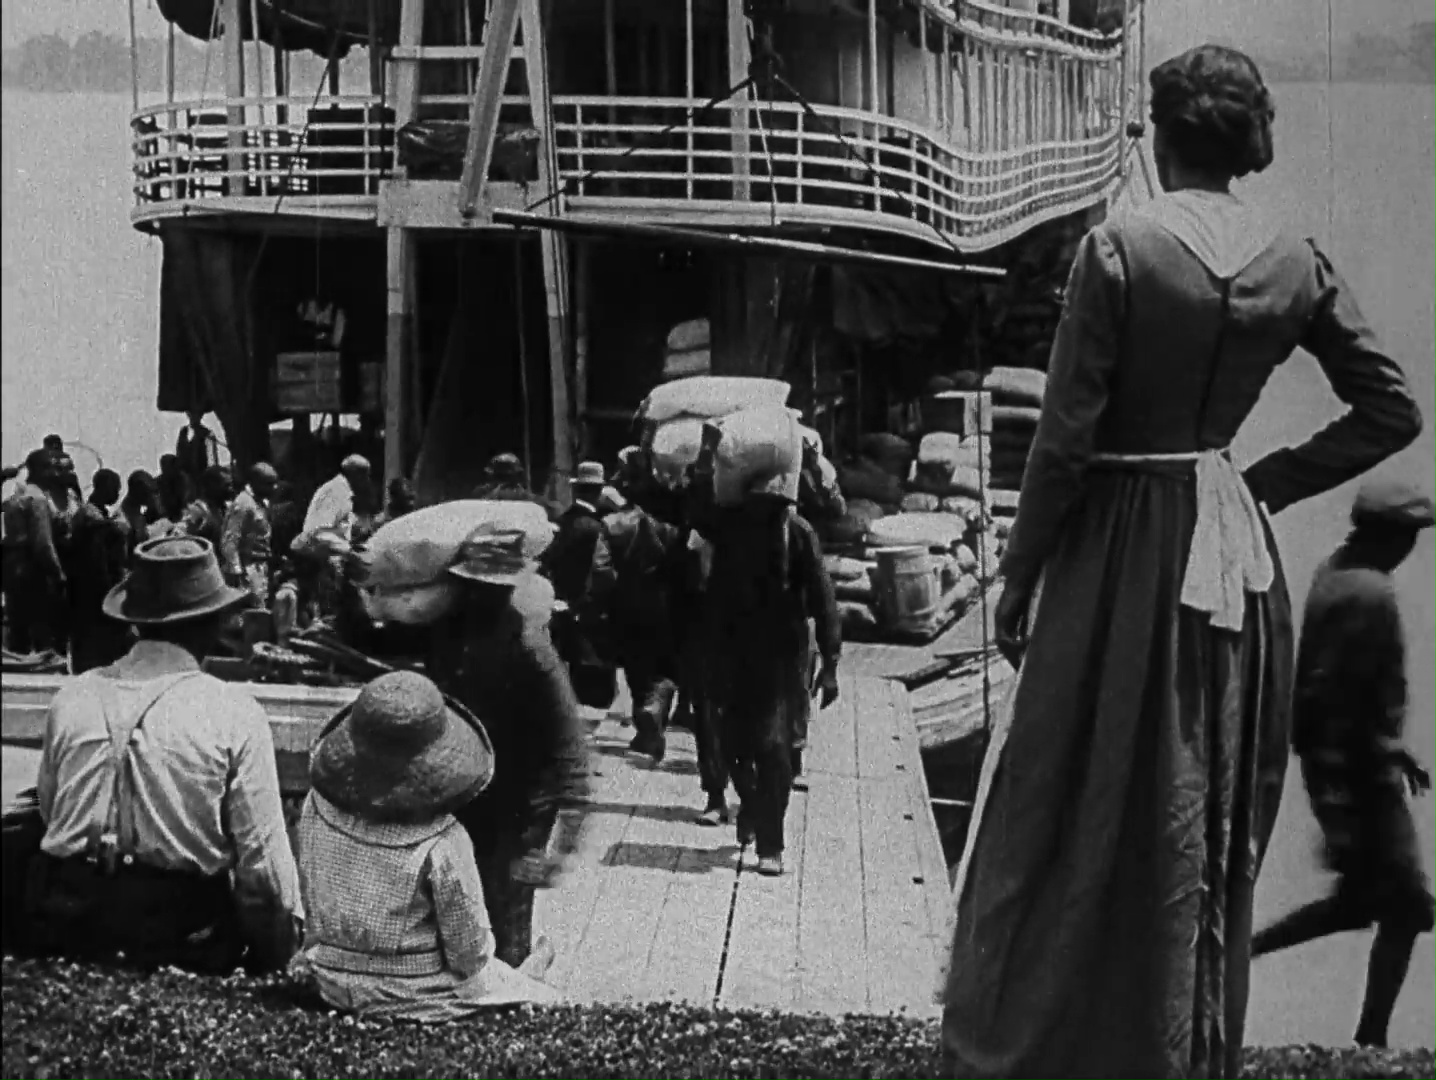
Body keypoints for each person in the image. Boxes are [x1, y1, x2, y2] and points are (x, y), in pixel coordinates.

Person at [940, 46, 1423, 1080]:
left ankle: (1057, 1033)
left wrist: (1019, 577)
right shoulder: (1293, 258)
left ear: (1161, 136)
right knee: (1196, 803)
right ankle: (1177, 1038)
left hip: (1119, 545)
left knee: (1072, 784)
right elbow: (1391, 408)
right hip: (1233, 555)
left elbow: (1064, 441)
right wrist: (1265, 480)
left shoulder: (1119, 248)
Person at [24, 536, 302, 973]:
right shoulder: (233, 711)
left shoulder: (72, 697)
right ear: (213, 623)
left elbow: (49, 809)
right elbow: (264, 878)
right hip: (181, 935)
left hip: (69, 924)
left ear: (134, 623)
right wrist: (279, 956)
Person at [1252, 479, 1434, 1048]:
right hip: (1359, 774)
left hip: (1347, 764)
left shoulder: (1333, 573)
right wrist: (1374, 758)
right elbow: (1339, 692)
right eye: (1407, 536)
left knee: (1364, 904)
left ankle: (1242, 954)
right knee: (1406, 907)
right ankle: (1370, 1037)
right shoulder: (1367, 593)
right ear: (1387, 535)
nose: (1410, 548)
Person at [296, 670, 558, 1020]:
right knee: (540, 995)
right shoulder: (442, 841)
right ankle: (528, 978)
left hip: (330, 977)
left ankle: (525, 975)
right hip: (413, 993)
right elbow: (469, 957)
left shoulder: (315, 805)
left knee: (515, 979)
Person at [427, 526, 591, 969]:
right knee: (463, 908)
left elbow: (568, 741)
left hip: (523, 806)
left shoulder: (531, 647)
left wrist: (563, 842)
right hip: (470, 794)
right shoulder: (447, 638)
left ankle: (515, 981)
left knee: (507, 918)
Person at [701, 489, 841, 877]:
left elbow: (823, 597)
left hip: (783, 658)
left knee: (775, 749)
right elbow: (714, 600)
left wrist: (830, 661)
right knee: (732, 744)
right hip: (736, 655)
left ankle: (770, 843)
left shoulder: (797, 533)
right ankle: (751, 804)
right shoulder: (731, 532)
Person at [602, 498, 685, 762]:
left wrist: (609, 597)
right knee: (664, 670)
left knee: (636, 667)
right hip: (665, 607)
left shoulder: (614, 526)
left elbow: (601, 568)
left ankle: (647, 725)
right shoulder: (675, 532)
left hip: (626, 607)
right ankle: (654, 710)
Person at [541, 462, 619, 712]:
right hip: (589, 606)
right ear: (599, 492)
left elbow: (549, 560)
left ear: (576, 490)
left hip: (560, 602)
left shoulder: (561, 522)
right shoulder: (598, 527)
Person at [64, 469, 133, 674]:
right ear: (103, 487)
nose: (117, 493)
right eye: (115, 488)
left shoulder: (101, 515)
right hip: (91, 590)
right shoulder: (89, 516)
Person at [1, 450, 67, 654]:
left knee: (18, 633)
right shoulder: (37, 500)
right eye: (52, 468)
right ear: (39, 470)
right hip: (32, 573)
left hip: (12, 570)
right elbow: (43, 544)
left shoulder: (16, 497)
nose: (56, 473)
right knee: (42, 634)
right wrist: (58, 575)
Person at [221, 462, 278, 607]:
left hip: (262, 565)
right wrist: (235, 571)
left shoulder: (261, 502)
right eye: (269, 484)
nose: (274, 488)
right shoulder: (243, 504)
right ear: (255, 483)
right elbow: (230, 539)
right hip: (249, 568)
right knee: (255, 610)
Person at [178, 465, 233, 550]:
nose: (231, 489)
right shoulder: (198, 510)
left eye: (231, 485)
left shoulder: (226, 507)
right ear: (212, 486)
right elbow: (181, 538)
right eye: (226, 485)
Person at [176, 409, 220, 488]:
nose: (193, 416)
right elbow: (179, 454)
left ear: (201, 415)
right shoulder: (183, 432)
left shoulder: (207, 434)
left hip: (201, 482)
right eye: (190, 413)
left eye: (196, 414)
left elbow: (212, 462)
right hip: (184, 482)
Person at [118, 470, 157, 561]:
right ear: (137, 494)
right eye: (148, 494)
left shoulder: (140, 508)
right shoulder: (123, 523)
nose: (152, 497)